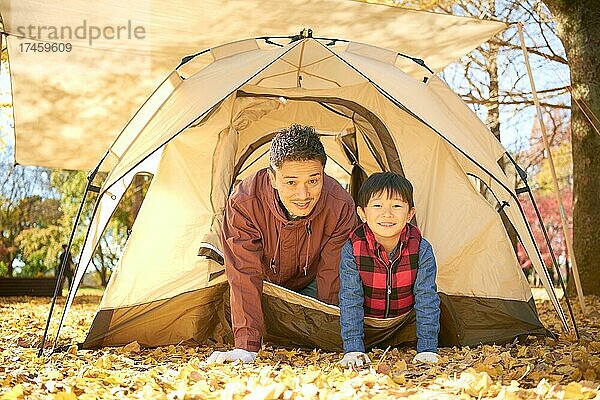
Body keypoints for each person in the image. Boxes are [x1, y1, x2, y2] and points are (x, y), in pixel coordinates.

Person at [207, 124, 358, 364]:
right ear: (273, 178)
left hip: (311, 285)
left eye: (313, 180)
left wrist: (329, 333)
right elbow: (244, 272)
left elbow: (333, 273)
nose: (303, 194)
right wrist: (247, 347)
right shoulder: (245, 203)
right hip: (263, 285)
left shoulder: (340, 204)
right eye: (291, 182)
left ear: (323, 174)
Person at [338, 172, 440, 367]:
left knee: (428, 300)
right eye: (377, 205)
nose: (387, 213)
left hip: (404, 324)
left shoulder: (421, 249)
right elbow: (350, 298)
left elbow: (427, 298)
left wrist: (427, 348)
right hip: (368, 327)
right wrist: (353, 348)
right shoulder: (353, 248)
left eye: (396, 206)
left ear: (410, 214)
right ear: (362, 213)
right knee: (350, 300)